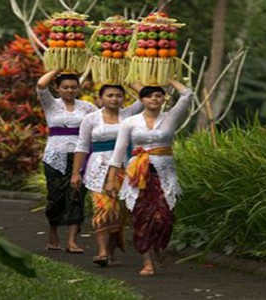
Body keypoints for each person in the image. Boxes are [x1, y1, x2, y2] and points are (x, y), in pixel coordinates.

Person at [105, 80, 192, 276]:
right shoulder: (129, 122)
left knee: (165, 218)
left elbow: (187, 95)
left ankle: (159, 248)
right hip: (138, 175)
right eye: (150, 96)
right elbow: (118, 152)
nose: (155, 98)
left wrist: (169, 79)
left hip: (164, 175)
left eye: (159, 96)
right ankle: (147, 262)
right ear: (142, 99)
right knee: (141, 218)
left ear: (163, 99)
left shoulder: (170, 117)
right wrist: (111, 179)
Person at [70, 84, 143, 267]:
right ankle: (102, 252)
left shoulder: (129, 115)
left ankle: (109, 254)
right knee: (104, 208)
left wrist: (126, 77)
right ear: (100, 98)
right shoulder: (91, 119)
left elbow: (145, 95)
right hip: (98, 169)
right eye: (109, 95)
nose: (114, 98)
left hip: (126, 168)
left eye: (119, 95)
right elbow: (82, 146)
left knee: (119, 212)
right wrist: (75, 173)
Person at [37, 70, 97, 253]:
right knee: (55, 197)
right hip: (55, 156)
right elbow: (40, 85)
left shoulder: (88, 107)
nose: (70, 90)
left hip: (80, 156)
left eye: (73, 87)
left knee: (76, 196)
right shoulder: (51, 105)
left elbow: (102, 121)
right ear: (57, 88)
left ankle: (72, 241)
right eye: (65, 87)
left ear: (79, 88)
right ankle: (53, 231)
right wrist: (56, 68)